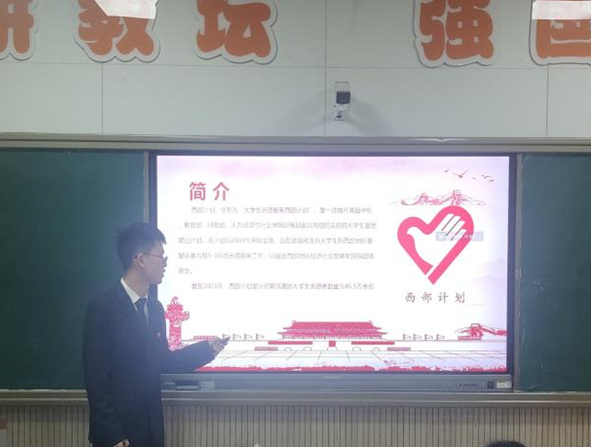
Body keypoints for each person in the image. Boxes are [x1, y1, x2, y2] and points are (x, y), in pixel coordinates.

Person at [83, 222, 227, 447]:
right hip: (116, 436)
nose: (165, 263)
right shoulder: (103, 309)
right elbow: (96, 380)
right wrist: (112, 434)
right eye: (161, 256)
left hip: (150, 431)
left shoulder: (156, 309)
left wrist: (206, 350)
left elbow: (162, 361)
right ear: (140, 260)